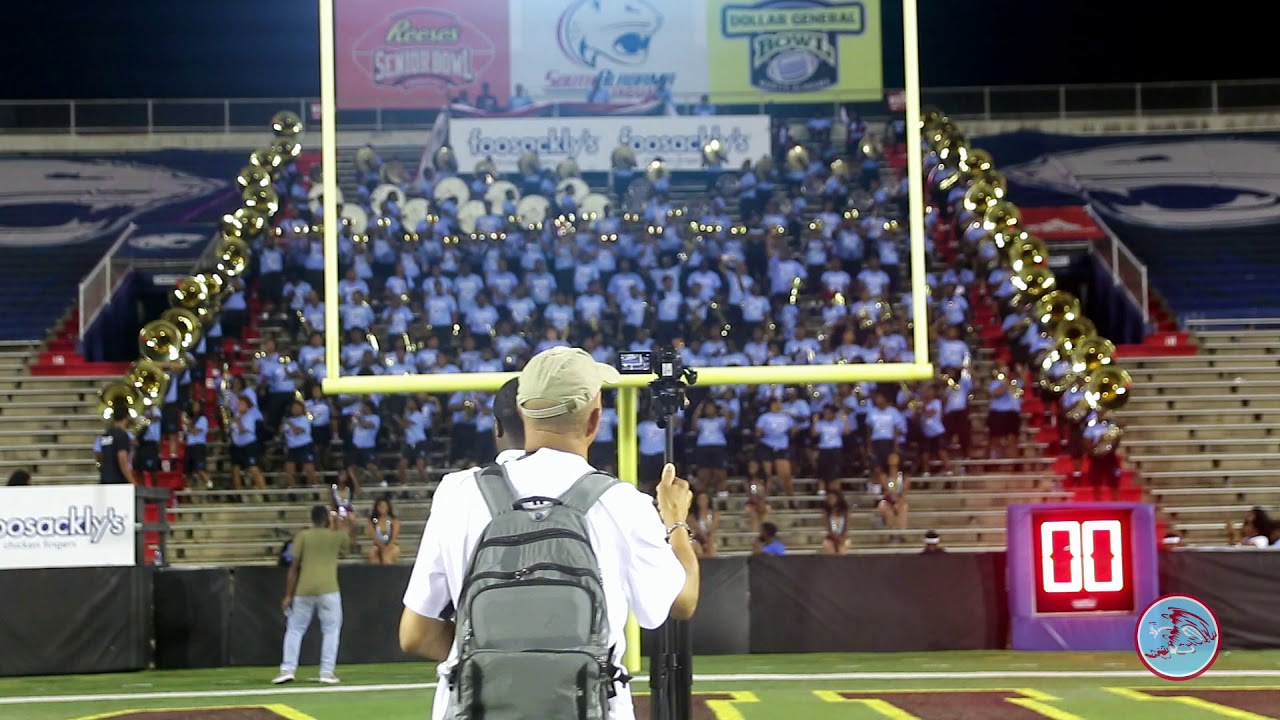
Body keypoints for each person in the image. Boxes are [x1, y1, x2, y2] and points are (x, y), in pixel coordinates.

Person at [399, 347, 699, 720]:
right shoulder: (622, 503)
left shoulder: (458, 492)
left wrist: (501, 665)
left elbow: (417, 633)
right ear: (594, 420)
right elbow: (682, 601)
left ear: (521, 412)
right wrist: (675, 522)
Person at [275, 505, 351, 685]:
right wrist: (341, 524)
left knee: (295, 629)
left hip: (304, 589)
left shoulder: (303, 536)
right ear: (327, 519)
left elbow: (294, 568)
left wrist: (288, 595)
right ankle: (327, 671)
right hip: (329, 588)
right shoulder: (335, 536)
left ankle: (288, 669)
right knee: (331, 630)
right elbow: (348, 544)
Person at [98, 415, 136, 485]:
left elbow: (99, 454)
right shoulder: (122, 435)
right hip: (119, 480)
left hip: (105, 478)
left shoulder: (106, 435)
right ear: (125, 419)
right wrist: (132, 482)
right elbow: (122, 460)